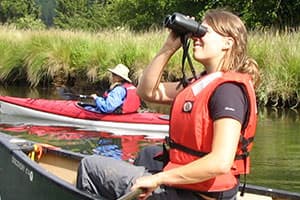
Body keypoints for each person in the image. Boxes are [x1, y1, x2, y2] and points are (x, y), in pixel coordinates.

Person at [76, 8, 260, 200]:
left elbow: (221, 162)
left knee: (90, 166)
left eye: (204, 31)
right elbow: (146, 91)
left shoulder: (228, 91)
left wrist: (159, 179)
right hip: (194, 189)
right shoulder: (204, 84)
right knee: (149, 155)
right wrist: (169, 47)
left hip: (200, 195)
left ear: (227, 42)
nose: (196, 36)